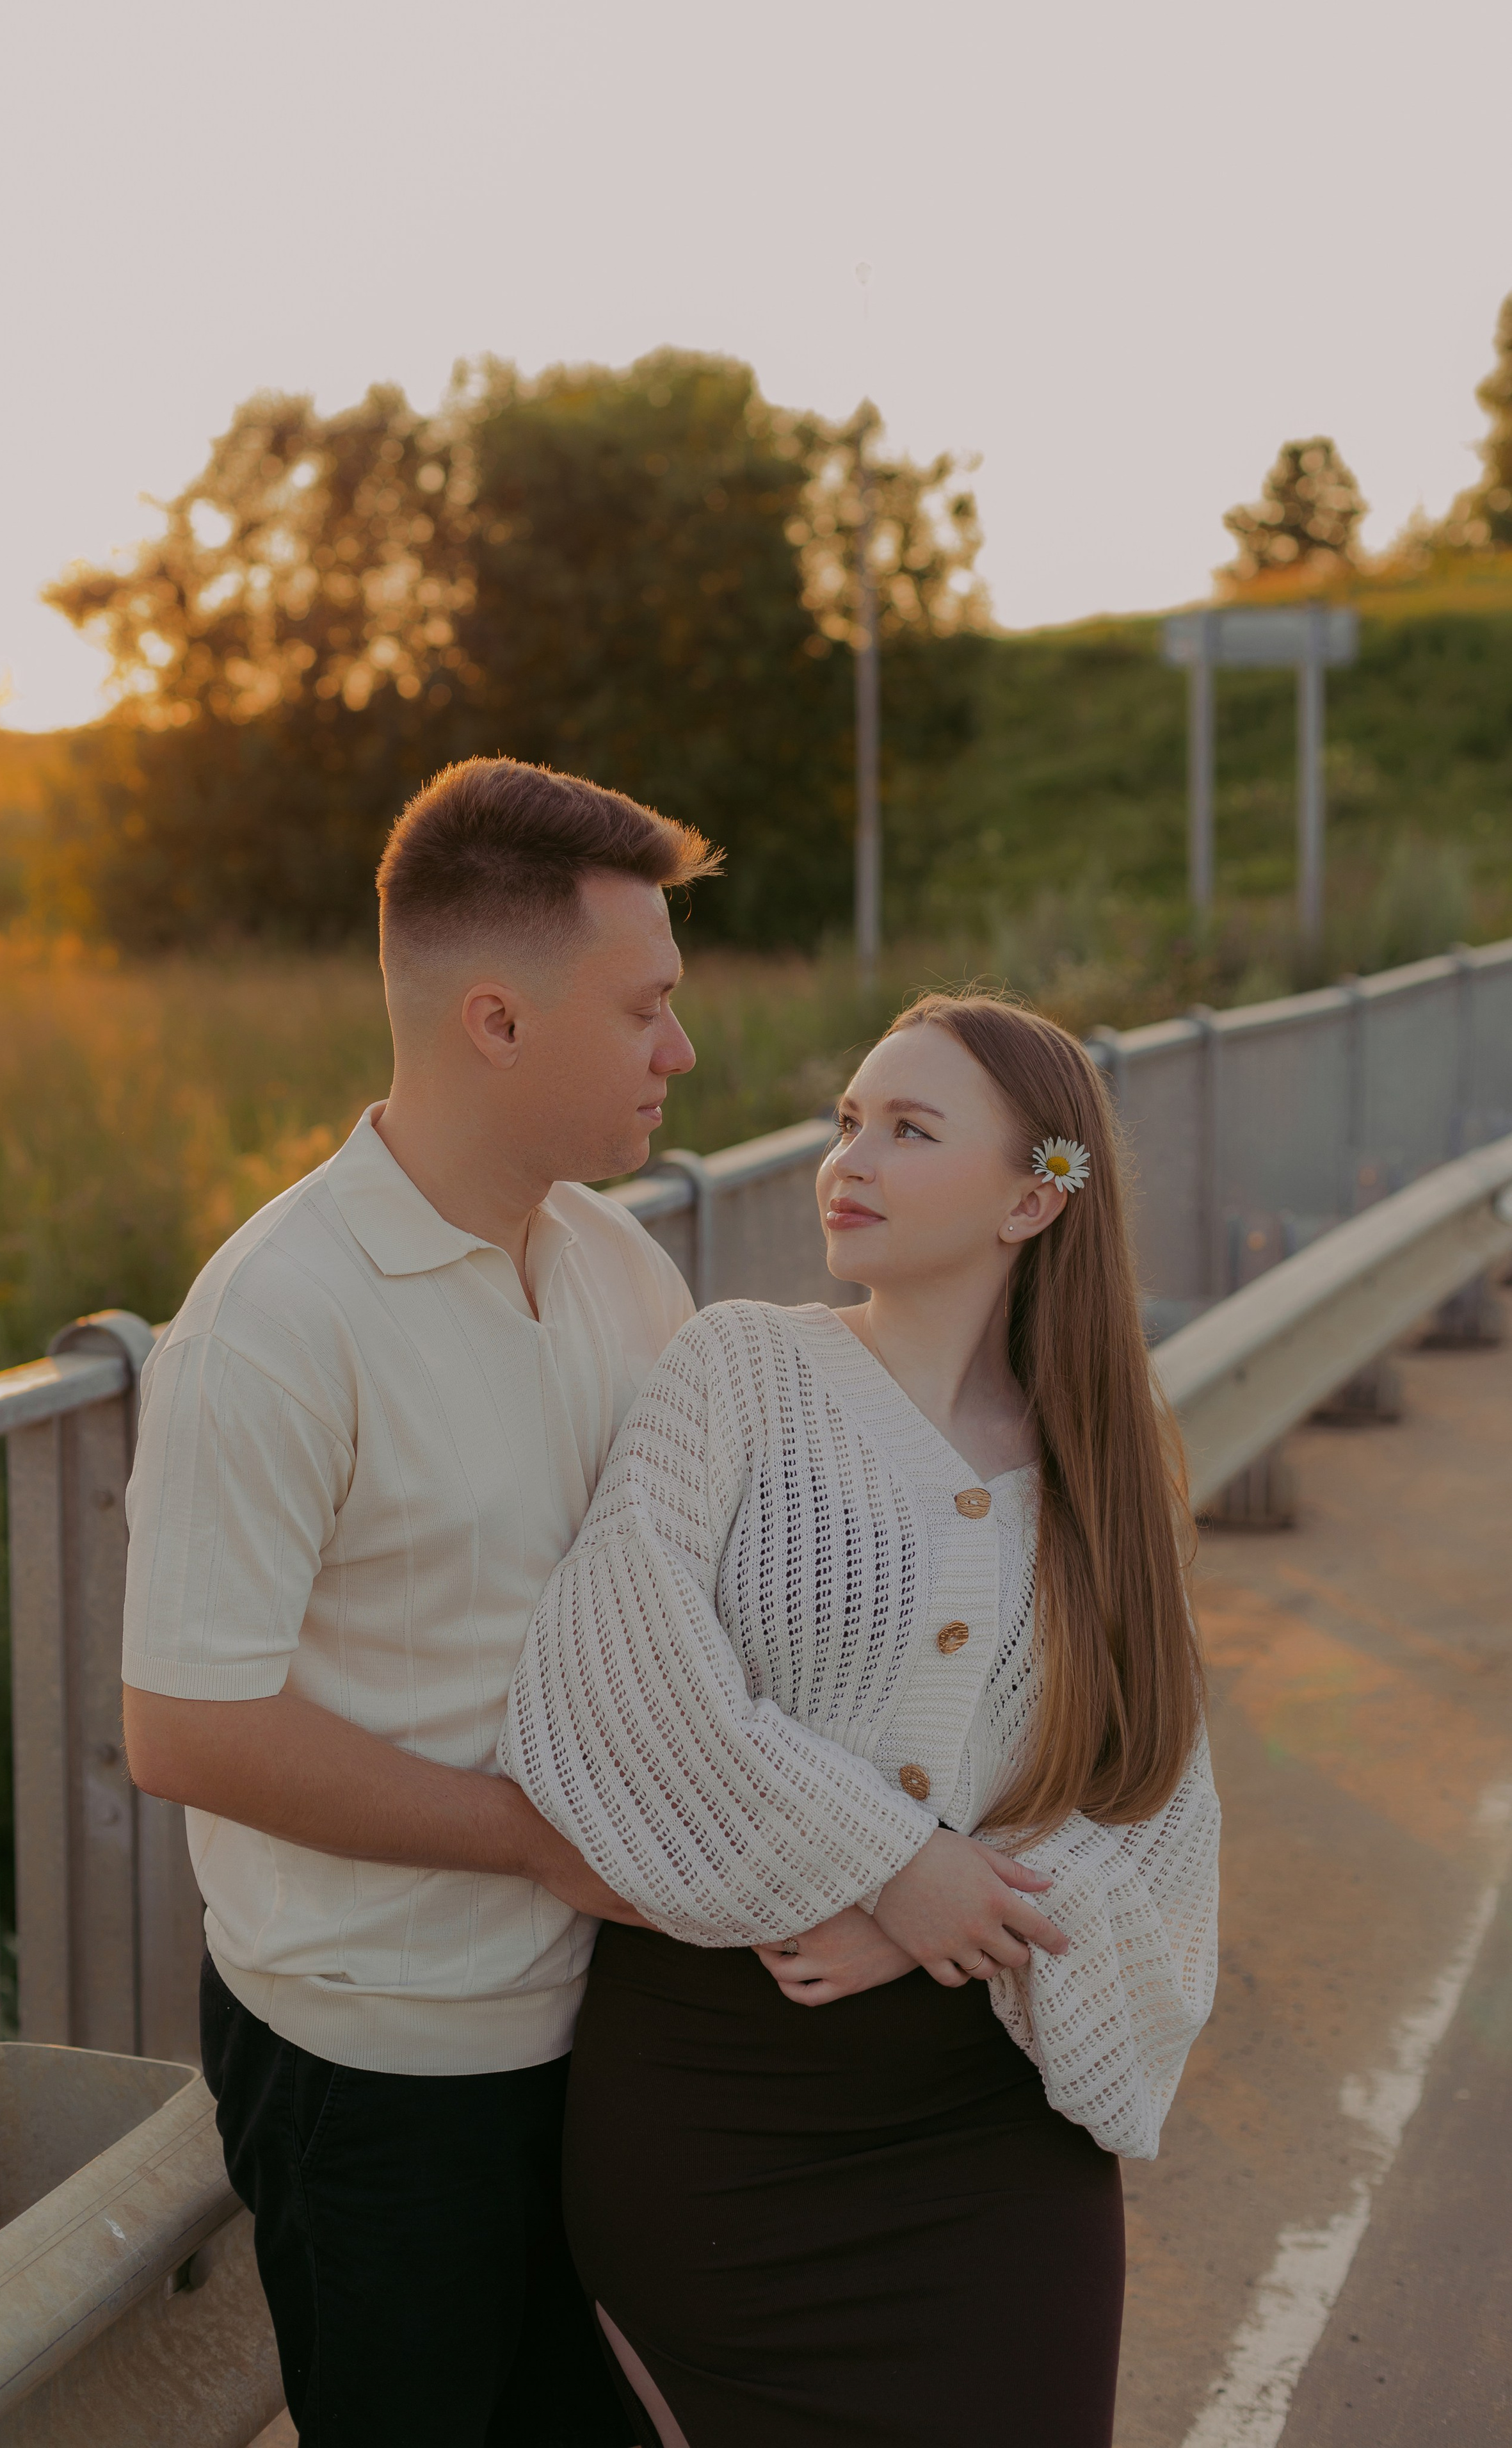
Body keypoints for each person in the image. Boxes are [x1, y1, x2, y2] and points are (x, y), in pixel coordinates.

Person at [503, 989, 1221, 2448]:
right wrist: (889, 1861)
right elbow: (613, 1680)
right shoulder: (741, 1370)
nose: (849, 1158)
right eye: (846, 1121)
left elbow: (1154, 1808)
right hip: (720, 2116)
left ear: (1033, 1196)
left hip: (985, 2124)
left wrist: (933, 1911)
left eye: (906, 1129)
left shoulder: (1108, 1449)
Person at [120, 758, 721, 2448]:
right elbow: (186, 1725)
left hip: (608, 2027)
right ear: (496, 1022)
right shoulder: (273, 1320)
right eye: (647, 1006)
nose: (680, 1050)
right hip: (378, 2076)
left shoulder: (625, 1267)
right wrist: (540, 1839)